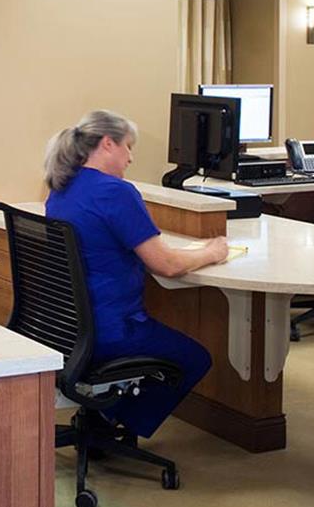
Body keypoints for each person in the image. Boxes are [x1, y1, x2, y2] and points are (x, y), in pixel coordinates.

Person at [43, 109, 230, 440]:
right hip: (111, 331)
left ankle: (103, 417)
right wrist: (212, 252)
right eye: (128, 147)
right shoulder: (116, 192)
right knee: (195, 358)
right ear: (107, 144)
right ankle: (114, 421)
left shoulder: (62, 187)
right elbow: (167, 265)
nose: (131, 158)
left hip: (65, 328)